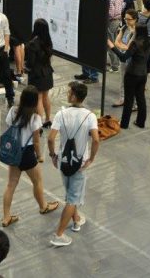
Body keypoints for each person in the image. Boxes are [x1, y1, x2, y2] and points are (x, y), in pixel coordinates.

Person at [47, 82, 100, 247]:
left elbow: (50, 138)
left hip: (63, 162)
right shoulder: (89, 116)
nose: (67, 94)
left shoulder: (61, 114)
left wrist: (53, 156)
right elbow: (96, 139)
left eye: (69, 92)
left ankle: (76, 220)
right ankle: (59, 234)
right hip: (79, 163)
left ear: (74, 96)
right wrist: (91, 158)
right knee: (73, 198)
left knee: (71, 194)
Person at [0, 85, 60, 228]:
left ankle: (6, 217)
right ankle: (43, 206)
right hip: (27, 153)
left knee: (11, 184)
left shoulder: (13, 111)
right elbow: (37, 141)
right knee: (37, 181)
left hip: (13, 151)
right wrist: (39, 156)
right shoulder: (35, 118)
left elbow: (9, 126)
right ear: (34, 102)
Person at [108, 9, 150, 129]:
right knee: (141, 99)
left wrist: (112, 46)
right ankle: (140, 122)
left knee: (128, 100)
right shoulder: (149, 43)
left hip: (132, 74)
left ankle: (124, 124)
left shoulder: (134, 44)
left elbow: (123, 57)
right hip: (143, 74)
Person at [25, 19, 55, 127]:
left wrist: (25, 68)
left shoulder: (33, 43)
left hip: (37, 75)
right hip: (47, 73)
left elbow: (30, 62)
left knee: (38, 98)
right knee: (46, 97)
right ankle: (47, 119)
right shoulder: (48, 41)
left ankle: (38, 123)